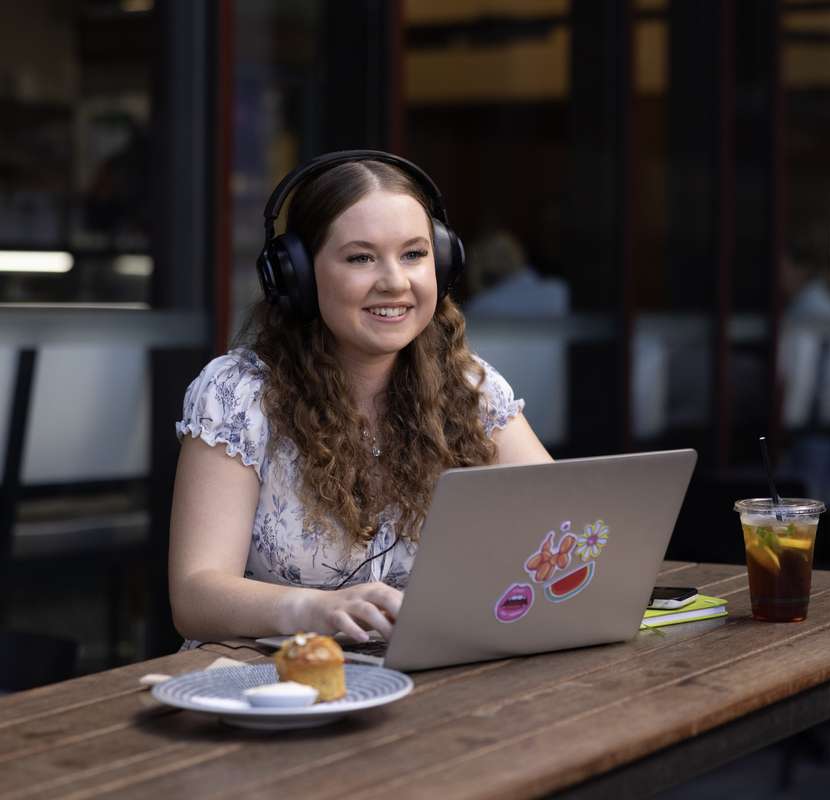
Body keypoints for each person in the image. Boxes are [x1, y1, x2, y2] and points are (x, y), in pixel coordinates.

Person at [169, 152, 552, 647]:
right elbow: (194, 597)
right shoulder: (236, 395)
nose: (394, 281)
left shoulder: (468, 387)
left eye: (413, 254)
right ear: (298, 276)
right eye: (361, 257)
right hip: (266, 689)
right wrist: (316, 609)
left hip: (420, 684)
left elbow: (558, 524)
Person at [464, 229, 568, 318]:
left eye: (504, 251)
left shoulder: (485, 306)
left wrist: (475, 272)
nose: (507, 256)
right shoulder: (557, 290)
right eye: (499, 253)